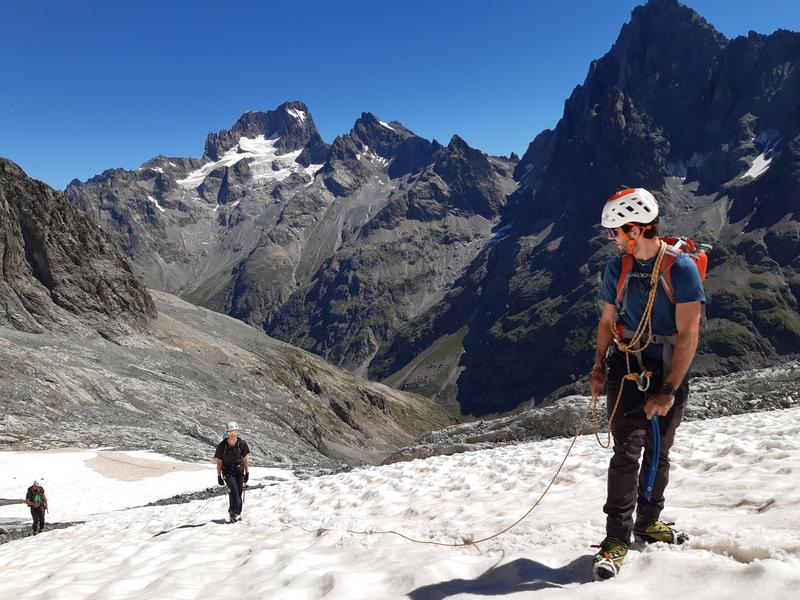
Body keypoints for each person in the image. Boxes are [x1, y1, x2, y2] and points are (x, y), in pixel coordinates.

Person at [589, 188, 705, 580]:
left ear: (636, 229)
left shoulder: (681, 269)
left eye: (616, 232)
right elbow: (607, 320)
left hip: (666, 367)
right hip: (626, 363)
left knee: (658, 451)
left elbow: (689, 334)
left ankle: (648, 521)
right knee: (627, 451)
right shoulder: (617, 269)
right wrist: (599, 366)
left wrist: (669, 389)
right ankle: (616, 537)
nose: (613, 239)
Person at [214, 421, 250, 522]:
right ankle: (235, 513)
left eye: (234, 432)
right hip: (228, 472)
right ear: (227, 433)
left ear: (237, 432)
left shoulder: (242, 444)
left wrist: (247, 473)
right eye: (230, 433)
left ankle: (236, 513)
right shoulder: (222, 446)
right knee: (234, 491)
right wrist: (219, 476)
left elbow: (245, 458)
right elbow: (219, 461)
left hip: (239, 471)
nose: (233, 435)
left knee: (238, 492)